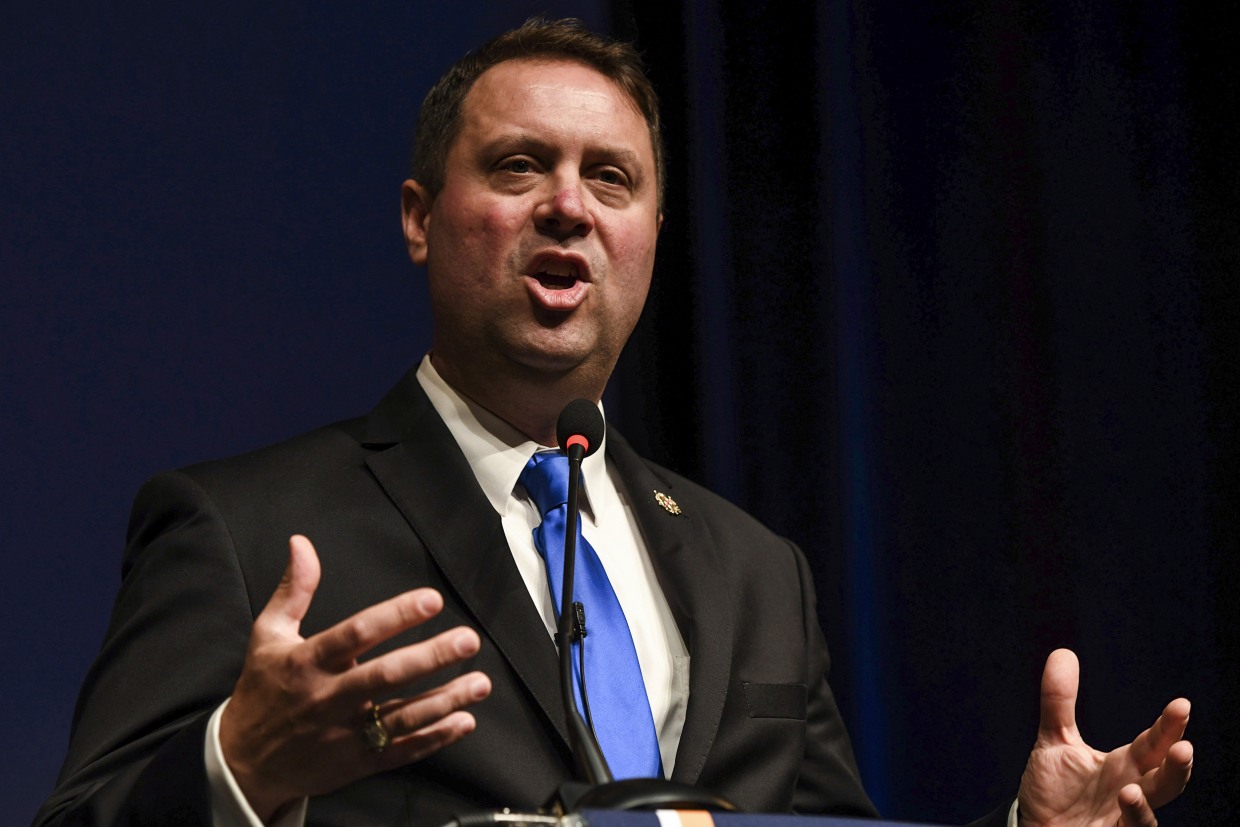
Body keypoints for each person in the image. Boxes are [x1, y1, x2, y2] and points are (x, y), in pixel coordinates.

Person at [35, 18, 1192, 827]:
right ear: (419, 219)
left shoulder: (755, 572)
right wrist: (237, 767)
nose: (567, 208)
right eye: (520, 165)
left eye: (612, 179)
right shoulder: (246, 527)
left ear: (648, 237)